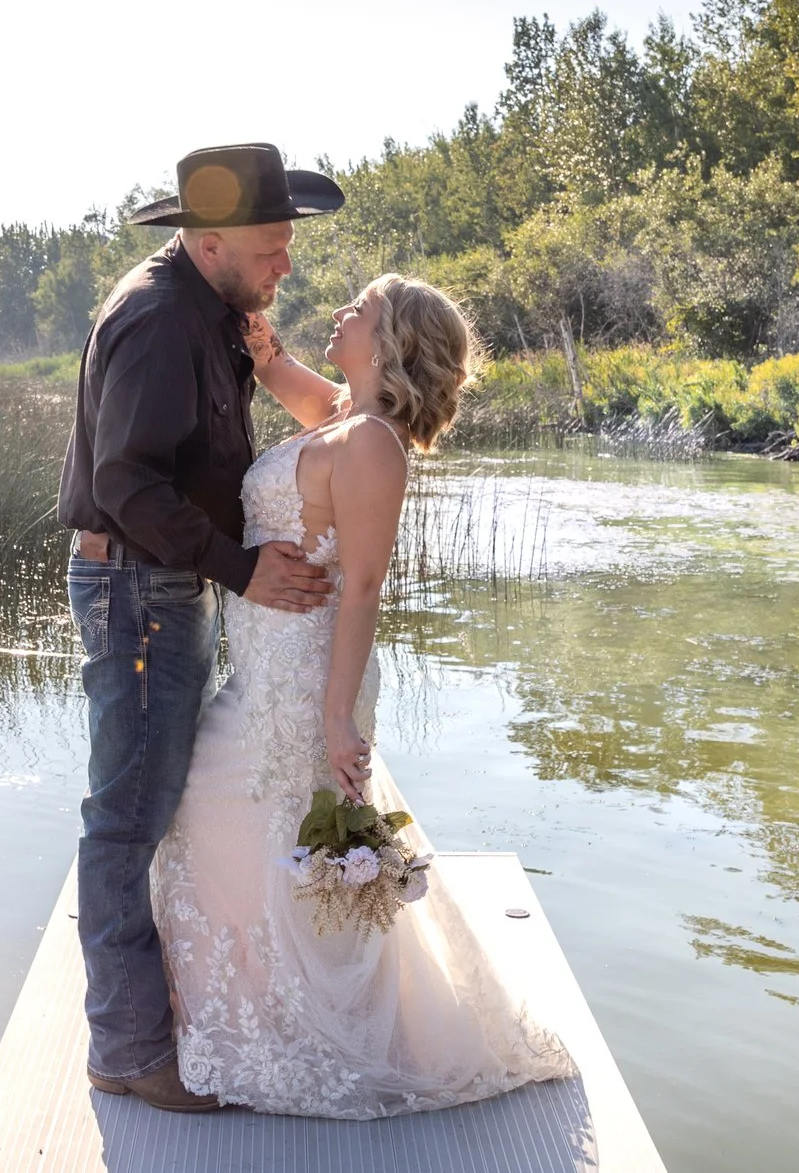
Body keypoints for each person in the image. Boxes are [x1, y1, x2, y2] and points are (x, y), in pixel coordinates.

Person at [151, 273, 574, 1117]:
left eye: (361, 308)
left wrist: (338, 716)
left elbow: (365, 587)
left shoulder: (372, 442)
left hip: (307, 681)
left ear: (389, 344)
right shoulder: (347, 419)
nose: (342, 310)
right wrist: (260, 346)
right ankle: (254, 1012)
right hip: (269, 670)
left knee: (227, 812)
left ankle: (288, 1024)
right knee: (242, 825)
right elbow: (293, 384)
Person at [58, 143, 344, 1112]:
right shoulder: (158, 315)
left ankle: (152, 1023)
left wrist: (262, 352)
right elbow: (123, 481)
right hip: (140, 591)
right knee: (125, 822)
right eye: (273, 245)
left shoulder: (206, 311)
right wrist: (242, 564)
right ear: (210, 240)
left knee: (145, 809)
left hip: (160, 587)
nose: (288, 264)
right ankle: (130, 1051)